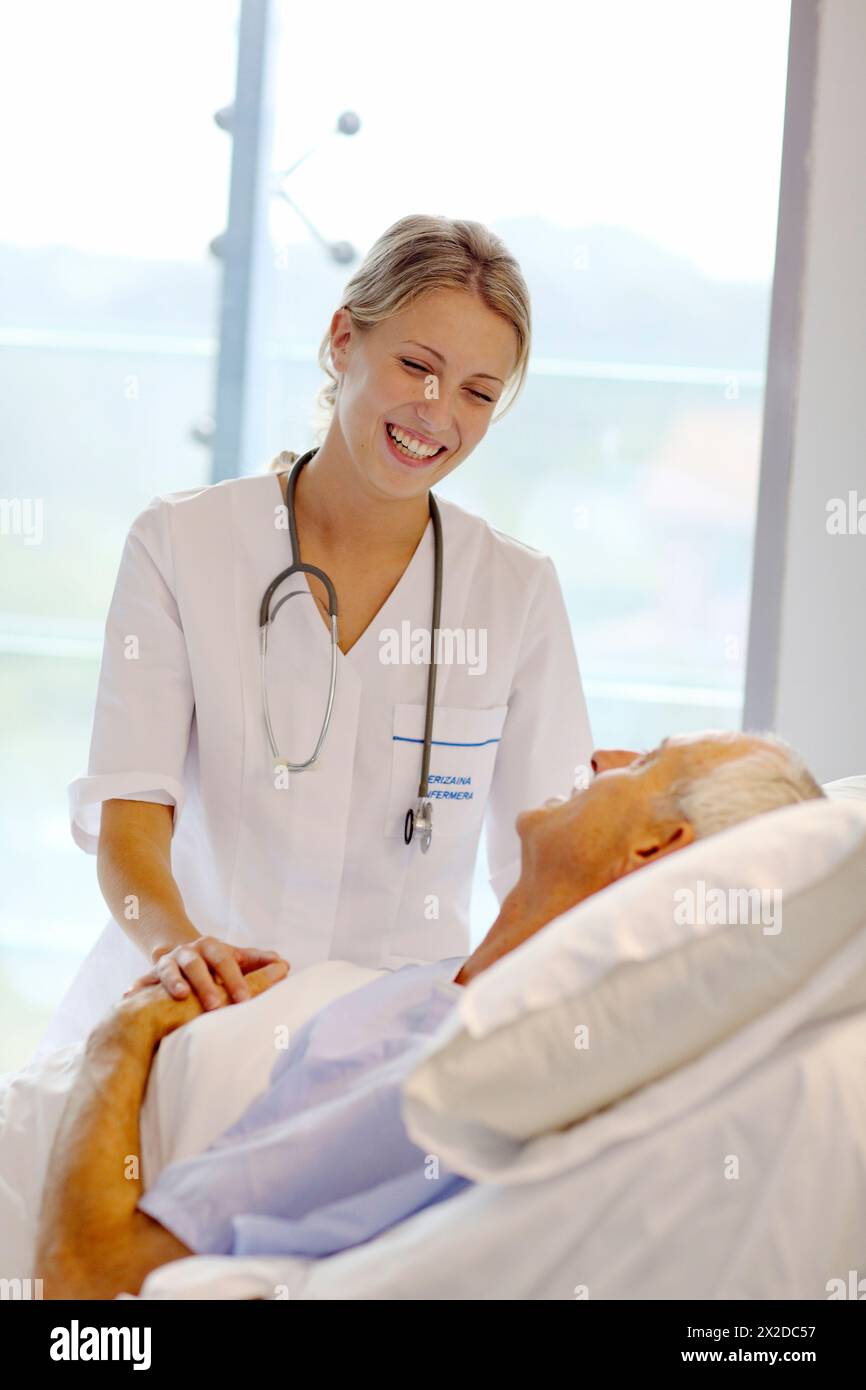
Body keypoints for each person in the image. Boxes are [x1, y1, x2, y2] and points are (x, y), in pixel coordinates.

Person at [35, 215, 593, 1059]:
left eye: (479, 391)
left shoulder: (514, 592)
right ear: (343, 341)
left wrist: (470, 1014)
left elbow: (544, 869)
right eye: (417, 365)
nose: (437, 412)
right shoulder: (183, 544)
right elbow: (131, 823)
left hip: (382, 1054)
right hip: (182, 1014)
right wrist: (180, 953)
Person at [33, 731, 825, 1299]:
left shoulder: (448, 1072)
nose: (603, 756)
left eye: (645, 763)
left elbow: (93, 1287)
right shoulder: (455, 991)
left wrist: (118, 1039)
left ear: (655, 849)